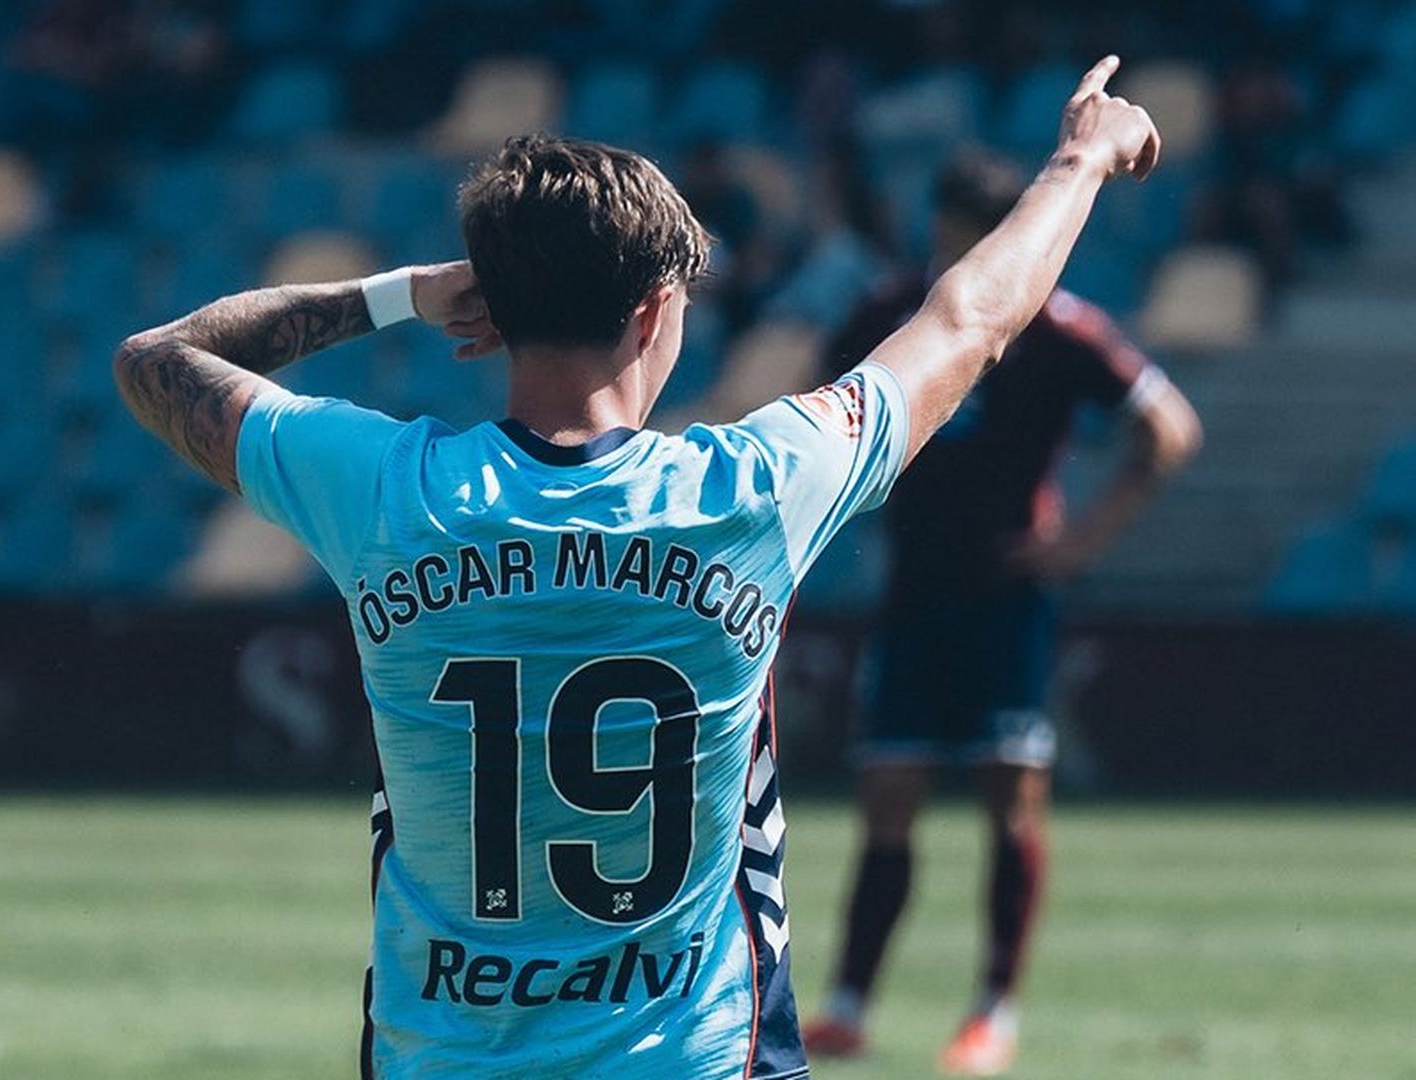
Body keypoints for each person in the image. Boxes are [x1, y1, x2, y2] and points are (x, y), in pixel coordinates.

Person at [113, 56, 1161, 1079]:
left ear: (498, 304)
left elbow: (156, 361)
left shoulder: (387, 491)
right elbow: (972, 319)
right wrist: (1080, 160)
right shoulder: (751, 490)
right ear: (658, 308)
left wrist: (405, 296)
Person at [799, 149, 1202, 1075]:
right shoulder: (885, 315)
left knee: (1008, 798)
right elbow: (823, 425)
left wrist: (1082, 542)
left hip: (1007, 596)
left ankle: (993, 1014)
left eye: (962, 237)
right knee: (889, 798)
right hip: (913, 592)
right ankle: (851, 1006)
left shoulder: (1061, 330)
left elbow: (1169, 429)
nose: (951, 254)